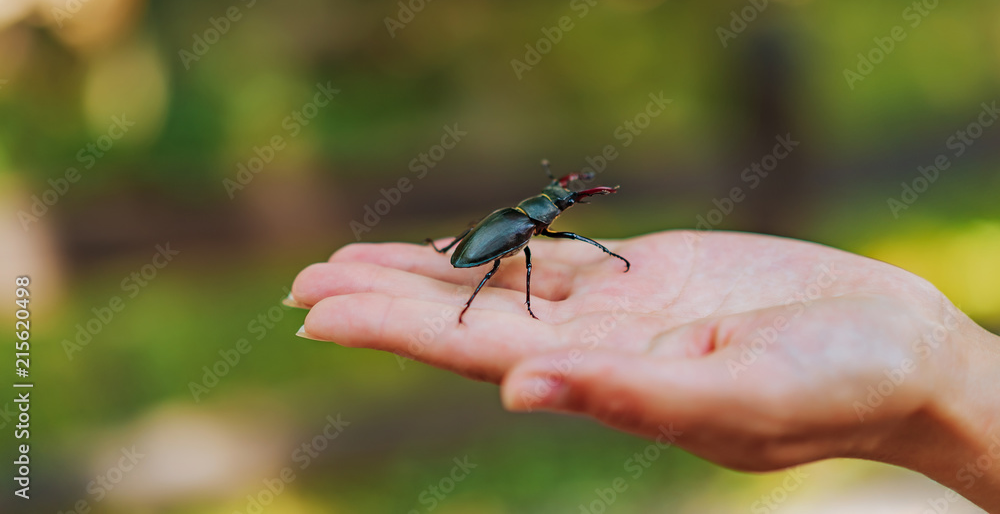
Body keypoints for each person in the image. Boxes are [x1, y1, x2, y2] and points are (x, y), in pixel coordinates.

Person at [288, 230, 1000, 512]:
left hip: (481, 241)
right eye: (555, 210)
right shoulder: (525, 236)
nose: (559, 215)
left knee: (516, 266)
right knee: (514, 268)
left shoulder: (529, 225)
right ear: (540, 217)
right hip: (479, 251)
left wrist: (952, 375)